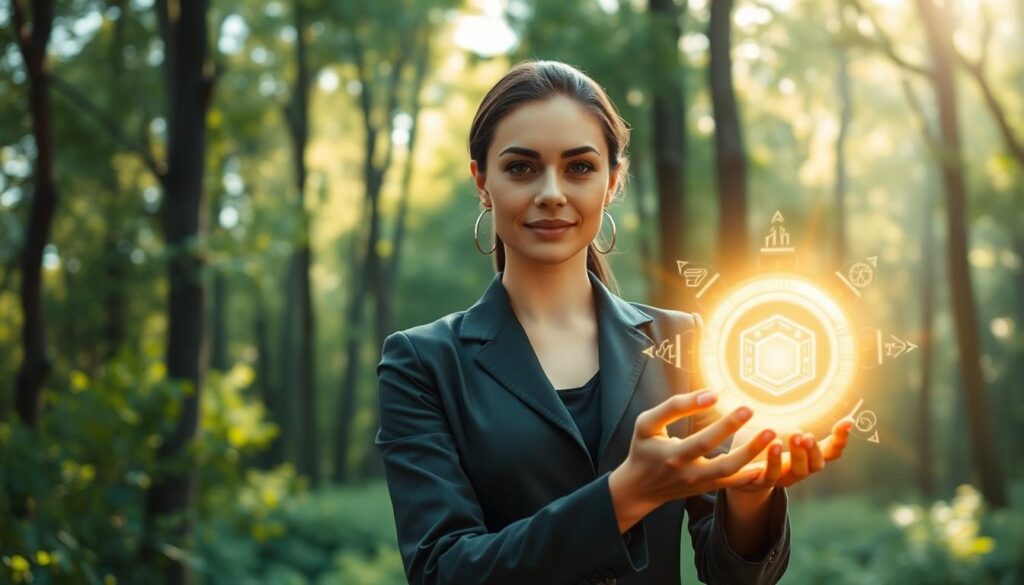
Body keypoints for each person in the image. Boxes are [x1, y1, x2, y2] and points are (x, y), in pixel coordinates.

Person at [374, 60, 855, 585]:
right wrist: (627, 494)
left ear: (612, 182)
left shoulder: (686, 342)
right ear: (481, 182)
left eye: (579, 167)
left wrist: (749, 490)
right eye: (521, 167)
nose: (552, 192)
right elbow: (443, 572)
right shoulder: (422, 362)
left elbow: (733, 576)